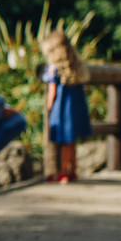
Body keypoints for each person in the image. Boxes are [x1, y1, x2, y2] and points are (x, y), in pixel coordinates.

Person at [39, 29, 92, 183]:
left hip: (61, 109)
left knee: (64, 142)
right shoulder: (74, 66)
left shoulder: (54, 68)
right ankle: (73, 170)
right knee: (72, 141)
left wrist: (49, 106)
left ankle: (63, 172)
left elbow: (52, 91)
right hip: (74, 107)